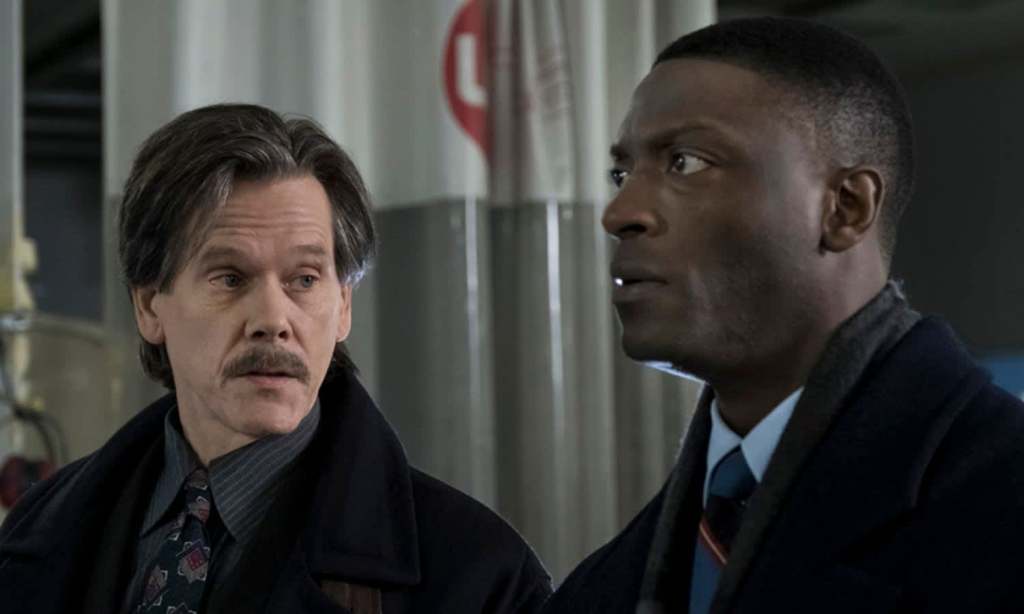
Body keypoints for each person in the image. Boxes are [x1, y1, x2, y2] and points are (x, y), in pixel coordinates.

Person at [543, 17, 1024, 614]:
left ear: (845, 208)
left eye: (685, 163)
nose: (620, 212)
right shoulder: (603, 586)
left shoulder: (1001, 506)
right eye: (622, 173)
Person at [0, 104, 550, 614]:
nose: (272, 319)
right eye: (230, 278)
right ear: (148, 306)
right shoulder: (38, 531)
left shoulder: (479, 576)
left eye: (304, 279)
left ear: (343, 306)